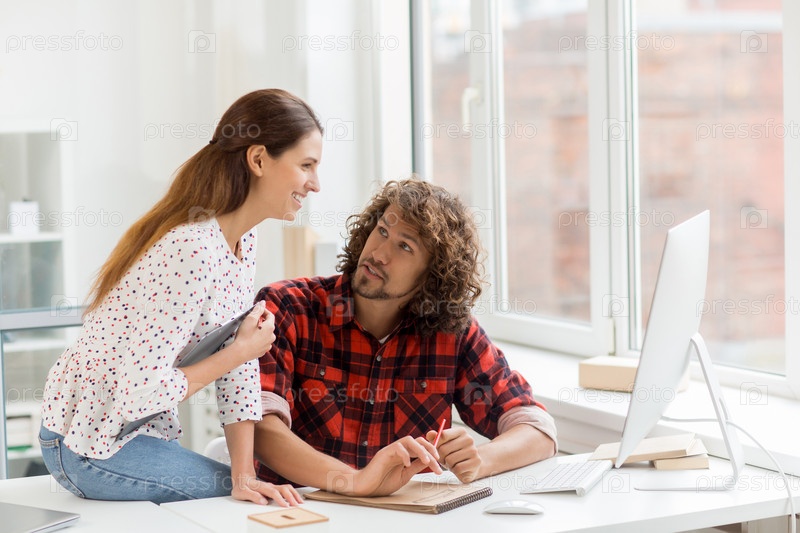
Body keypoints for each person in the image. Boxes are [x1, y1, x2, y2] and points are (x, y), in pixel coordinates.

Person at [39, 89, 322, 506]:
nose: (315, 184)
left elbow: (237, 363)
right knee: (250, 505)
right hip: (86, 446)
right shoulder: (191, 249)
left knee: (254, 492)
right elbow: (142, 392)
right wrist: (241, 351)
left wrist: (244, 476)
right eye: (306, 165)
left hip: (132, 436)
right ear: (259, 160)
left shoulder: (242, 241)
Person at [254, 178, 557, 496]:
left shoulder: (452, 334)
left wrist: (481, 460)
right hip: (296, 513)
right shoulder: (289, 307)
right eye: (382, 231)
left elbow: (538, 430)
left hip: (405, 518)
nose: (379, 253)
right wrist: (355, 482)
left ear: (432, 276)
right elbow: (258, 428)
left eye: (405, 247)